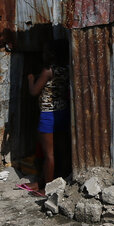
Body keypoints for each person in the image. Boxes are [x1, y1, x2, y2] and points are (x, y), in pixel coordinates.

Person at [24, 42, 69, 196]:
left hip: (48, 114)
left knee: (48, 154)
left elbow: (34, 91)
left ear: (50, 55)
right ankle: (56, 181)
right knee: (60, 151)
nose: (42, 55)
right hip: (62, 112)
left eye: (45, 52)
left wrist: (30, 78)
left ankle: (46, 190)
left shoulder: (47, 70)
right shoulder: (65, 68)